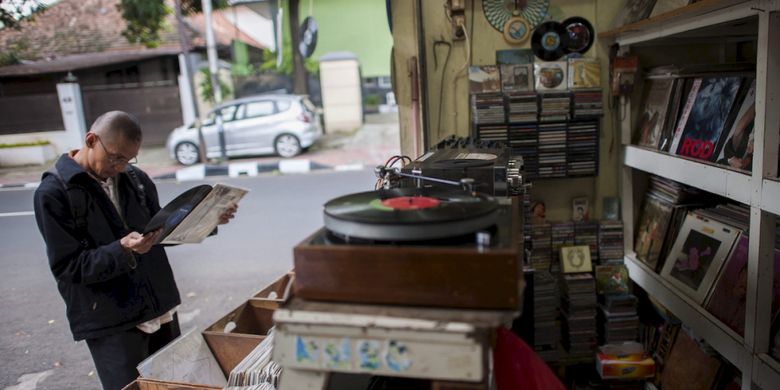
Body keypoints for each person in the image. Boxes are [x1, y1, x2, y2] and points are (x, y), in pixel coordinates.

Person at [33, 111, 237, 390]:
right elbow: (68, 267)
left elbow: (162, 232)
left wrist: (210, 218)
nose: (120, 167)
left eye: (128, 159)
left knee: (174, 386)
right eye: (115, 157)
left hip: (159, 307)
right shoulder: (53, 193)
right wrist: (122, 250)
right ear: (91, 140)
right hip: (113, 322)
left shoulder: (135, 179)